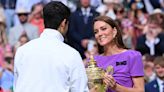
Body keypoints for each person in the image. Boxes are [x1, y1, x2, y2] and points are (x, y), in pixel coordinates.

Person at [14, 1, 89, 92]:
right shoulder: (72, 54)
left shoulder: (22, 51)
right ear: (64, 23)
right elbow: (80, 89)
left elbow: (17, 86)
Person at [92, 16, 144, 92]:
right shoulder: (94, 60)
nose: (99, 34)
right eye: (96, 32)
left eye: (103, 29)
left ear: (114, 31)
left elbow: (140, 90)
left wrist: (116, 87)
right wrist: (100, 87)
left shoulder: (132, 56)